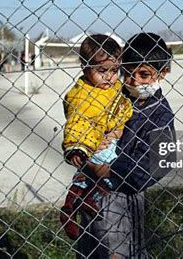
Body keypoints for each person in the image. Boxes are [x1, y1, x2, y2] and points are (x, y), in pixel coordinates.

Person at [77, 32, 176, 258]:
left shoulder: (160, 116)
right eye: (127, 73)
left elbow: (158, 163)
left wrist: (102, 169)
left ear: (163, 73)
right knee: (89, 248)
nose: (133, 81)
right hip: (90, 192)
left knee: (122, 249)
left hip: (122, 196)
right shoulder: (111, 96)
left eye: (144, 75)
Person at [60, 34, 133, 240]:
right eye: (101, 71)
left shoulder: (115, 87)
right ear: (85, 68)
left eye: (114, 70)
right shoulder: (82, 95)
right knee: (108, 172)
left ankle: (78, 201)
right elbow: (76, 122)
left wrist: (119, 128)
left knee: (95, 176)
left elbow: (122, 108)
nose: (109, 76)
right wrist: (77, 147)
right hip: (92, 144)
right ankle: (76, 202)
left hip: (110, 139)